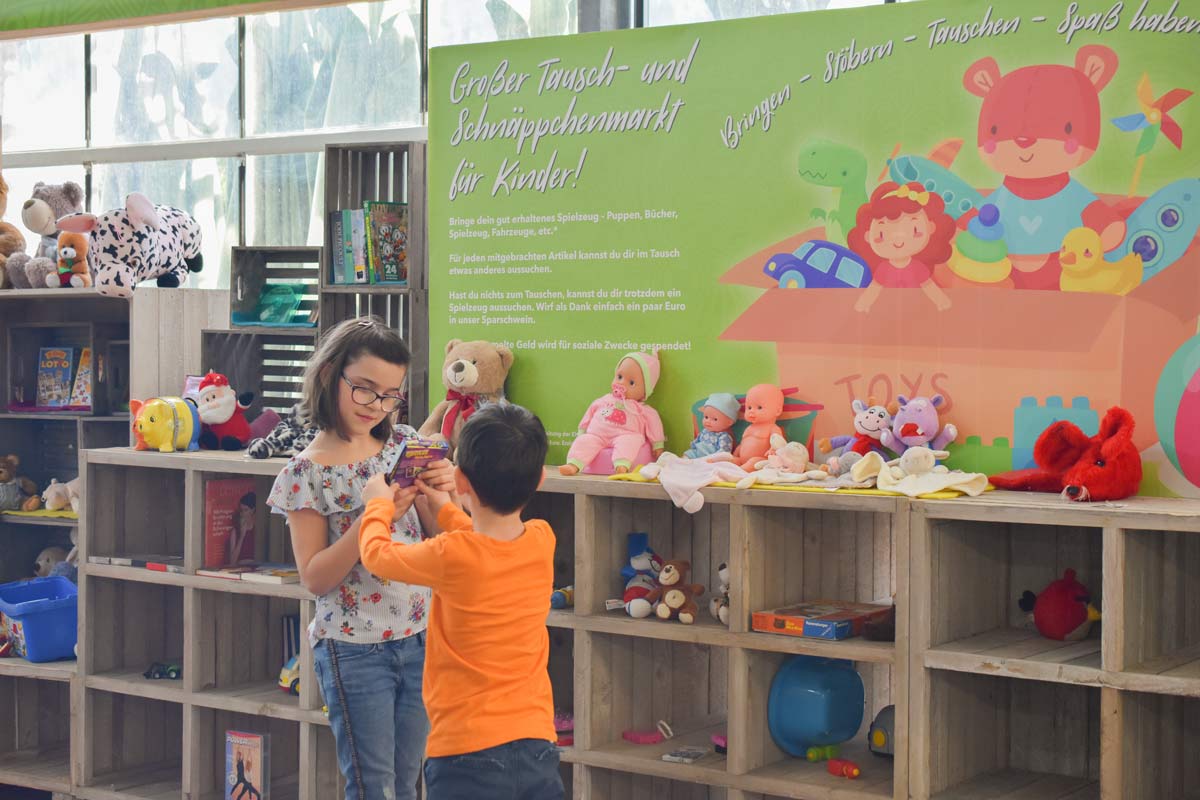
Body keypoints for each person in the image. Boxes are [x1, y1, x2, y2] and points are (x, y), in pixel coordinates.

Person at [268, 316, 455, 800]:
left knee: (410, 780)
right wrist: (376, 515)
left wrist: (443, 498)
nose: (378, 405)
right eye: (366, 390)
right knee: (373, 787)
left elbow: (437, 541)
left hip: (421, 637)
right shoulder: (305, 472)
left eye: (391, 394)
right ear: (331, 375)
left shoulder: (402, 446)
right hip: (353, 649)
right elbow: (314, 577)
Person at [358, 403, 562, 800]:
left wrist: (377, 504)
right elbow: (486, 546)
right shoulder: (542, 538)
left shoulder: (451, 554)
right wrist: (446, 509)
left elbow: (377, 555)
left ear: (462, 479)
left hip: (465, 752)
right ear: (539, 478)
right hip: (537, 742)